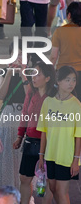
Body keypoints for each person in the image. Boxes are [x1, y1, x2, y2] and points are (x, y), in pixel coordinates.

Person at [12, 61, 55, 204]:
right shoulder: (31, 93)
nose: (34, 77)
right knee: (24, 178)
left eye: (38, 74)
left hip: (49, 142)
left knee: (49, 179)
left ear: (48, 78)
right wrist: (20, 136)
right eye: (33, 74)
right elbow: (25, 114)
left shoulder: (54, 96)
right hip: (30, 140)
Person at [37, 66, 81, 204]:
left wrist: (76, 160)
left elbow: (78, 135)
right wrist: (41, 155)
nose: (71, 83)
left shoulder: (76, 104)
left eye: (74, 80)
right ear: (59, 81)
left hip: (67, 157)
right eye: (67, 80)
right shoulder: (48, 102)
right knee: (53, 189)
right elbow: (44, 131)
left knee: (62, 193)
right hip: (50, 155)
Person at [0, 40, 29, 189]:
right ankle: (8, 191)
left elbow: (31, 96)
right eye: (15, 54)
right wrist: (9, 73)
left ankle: (25, 192)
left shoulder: (32, 72)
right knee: (8, 155)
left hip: (24, 116)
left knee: (23, 156)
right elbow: (1, 95)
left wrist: (23, 75)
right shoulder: (5, 71)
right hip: (8, 114)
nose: (18, 57)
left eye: (22, 54)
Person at [50, 2, 81, 102]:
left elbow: (53, 56)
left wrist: (49, 73)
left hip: (63, 73)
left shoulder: (59, 31)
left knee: (63, 104)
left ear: (69, 15)